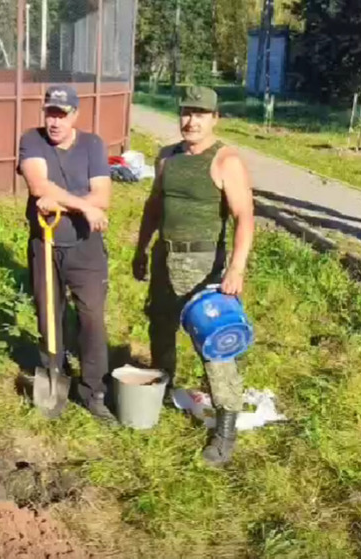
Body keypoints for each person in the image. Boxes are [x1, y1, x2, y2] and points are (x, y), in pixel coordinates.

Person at [132, 85, 254, 465]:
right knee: (159, 327)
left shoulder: (225, 160)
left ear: (215, 119)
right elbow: (154, 207)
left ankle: (225, 428)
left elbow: (245, 218)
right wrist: (140, 250)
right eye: (186, 112)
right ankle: (161, 388)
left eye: (200, 114)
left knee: (213, 344)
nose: (191, 120)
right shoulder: (167, 157)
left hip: (205, 268)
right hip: (165, 259)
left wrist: (235, 269)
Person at [18, 85, 114, 421]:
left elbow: (102, 197)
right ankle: (54, 381)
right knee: (49, 318)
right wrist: (84, 208)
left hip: (86, 249)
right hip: (44, 244)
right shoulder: (31, 139)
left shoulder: (93, 145)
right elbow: (38, 186)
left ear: (75, 114)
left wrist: (66, 202)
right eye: (50, 113)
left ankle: (93, 390)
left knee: (91, 319)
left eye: (62, 114)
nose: (54, 121)